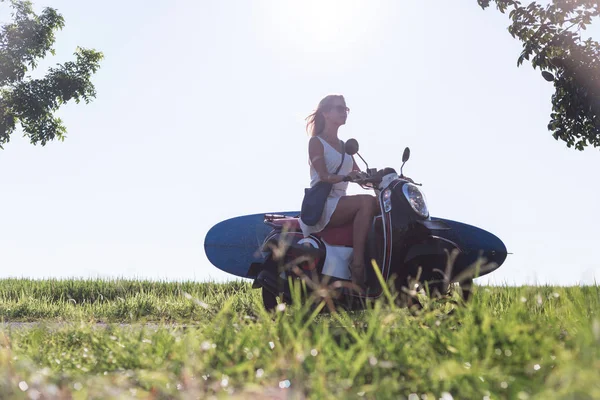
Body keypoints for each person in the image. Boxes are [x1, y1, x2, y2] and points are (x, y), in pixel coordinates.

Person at [298, 94, 379, 290]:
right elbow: (324, 175)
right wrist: (346, 178)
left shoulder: (346, 148)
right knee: (366, 202)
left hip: (341, 204)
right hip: (324, 205)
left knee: (378, 205)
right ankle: (357, 264)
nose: (345, 112)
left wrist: (385, 178)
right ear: (326, 113)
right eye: (340, 108)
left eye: (346, 109)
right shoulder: (316, 142)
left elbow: (361, 177)